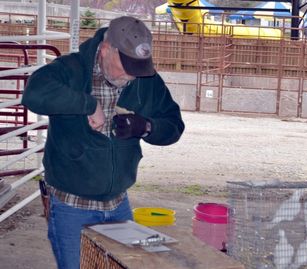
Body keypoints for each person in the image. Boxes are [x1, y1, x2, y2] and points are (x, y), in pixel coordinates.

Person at [21, 16, 185, 268]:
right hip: (71, 205)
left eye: (137, 68)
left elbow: (174, 125)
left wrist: (146, 126)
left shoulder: (145, 81)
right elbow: (34, 93)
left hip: (118, 204)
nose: (131, 76)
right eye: (127, 66)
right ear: (106, 50)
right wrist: (87, 104)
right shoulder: (71, 69)